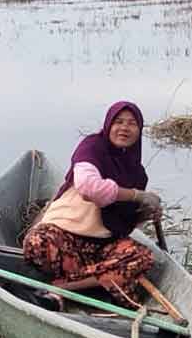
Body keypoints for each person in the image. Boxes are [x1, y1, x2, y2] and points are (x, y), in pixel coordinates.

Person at [23, 101, 162, 309]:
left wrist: (146, 213)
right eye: (119, 121)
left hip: (100, 248)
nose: (124, 128)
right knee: (37, 243)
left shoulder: (138, 173)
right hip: (62, 234)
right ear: (108, 125)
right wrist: (136, 195)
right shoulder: (92, 147)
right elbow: (90, 189)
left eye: (132, 124)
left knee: (142, 257)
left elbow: (122, 223)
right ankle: (96, 282)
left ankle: (62, 287)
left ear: (139, 131)